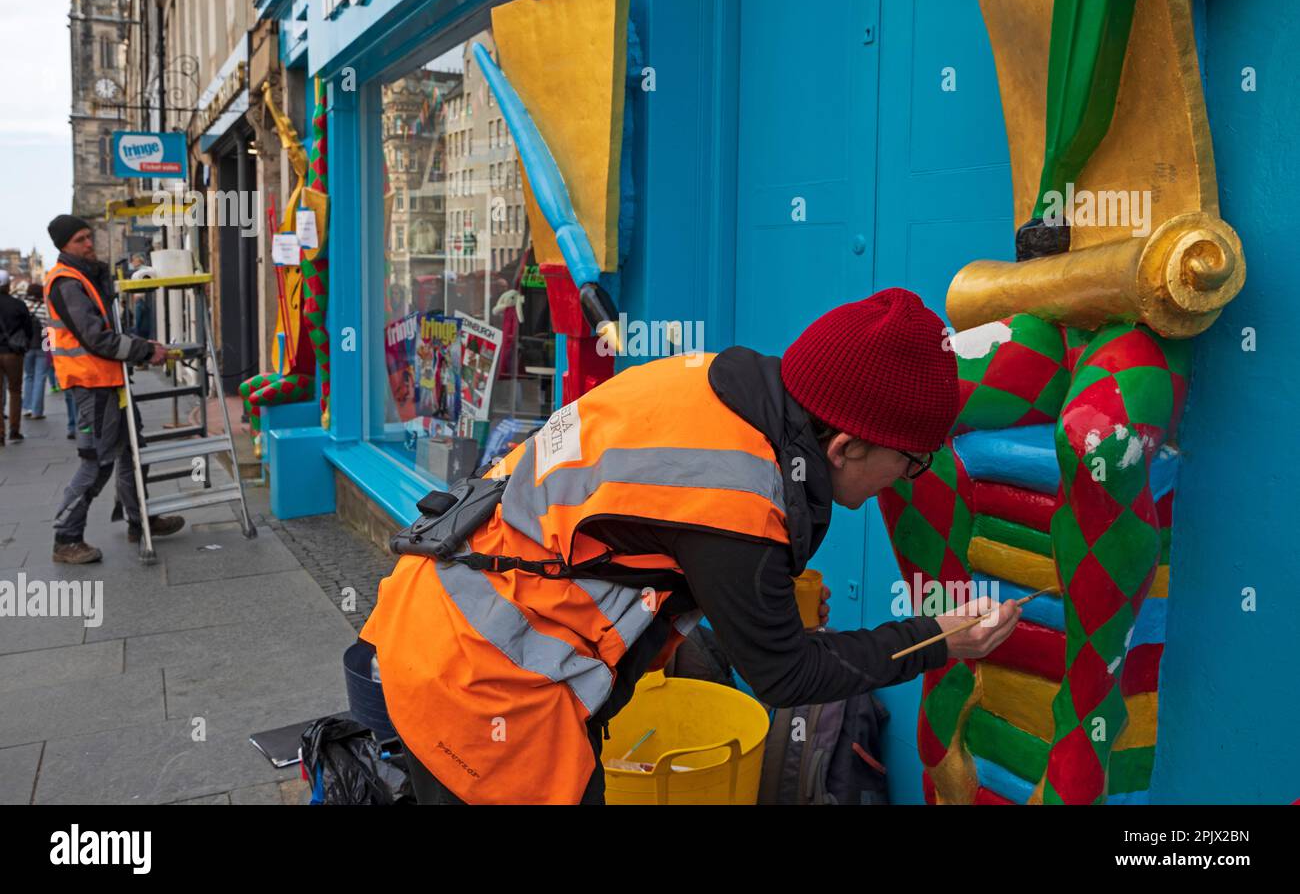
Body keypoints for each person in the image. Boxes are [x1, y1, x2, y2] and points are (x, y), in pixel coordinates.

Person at [360, 289, 1023, 805]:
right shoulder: (741, 502)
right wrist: (937, 639)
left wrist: (765, 591)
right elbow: (785, 673)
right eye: (911, 461)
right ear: (845, 447)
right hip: (483, 687)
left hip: (438, 616)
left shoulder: (728, 394)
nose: (909, 477)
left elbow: (656, 527)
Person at [44, 215, 185, 565]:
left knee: (134, 453)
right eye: (80, 239)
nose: (89, 243)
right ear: (64, 246)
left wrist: (139, 343)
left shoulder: (85, 277)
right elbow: (95, 338)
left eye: (89, 236)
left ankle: (139, 521)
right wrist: (143, 350)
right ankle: (66, 538)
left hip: (110, 383)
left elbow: (106, 330)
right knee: (96, 464)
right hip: (93, 387)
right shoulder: (66, 282)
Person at [0, 269, 38, 445]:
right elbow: (28, 329)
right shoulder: (18, 304)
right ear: (8, 285)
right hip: (13, 353)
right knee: (15, 391)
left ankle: (0, 434)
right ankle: (14, 431)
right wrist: (26, 344)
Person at [21, 281, 52, 421]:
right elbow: (48, 330)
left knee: (28, 376)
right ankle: (37, 411)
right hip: (41, 346)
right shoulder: (46, 308)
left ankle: (26, 407)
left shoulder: (23, 306)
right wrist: (50, 349)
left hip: (26, 346)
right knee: (40, 378)